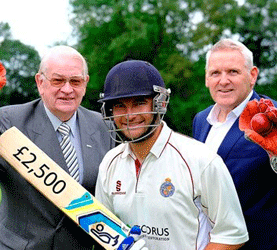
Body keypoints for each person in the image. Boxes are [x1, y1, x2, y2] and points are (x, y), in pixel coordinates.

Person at [95, 60, 249, 250]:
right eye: (119, 106)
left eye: (139, 103)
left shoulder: (201, 160)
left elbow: (232, 234)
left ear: (161, 102)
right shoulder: (110, 163)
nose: (129, 115)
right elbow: (106, 232)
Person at [0, 46, 118, 249]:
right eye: (58, 80)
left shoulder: (104, 127)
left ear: (85, 83)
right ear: (40, 82)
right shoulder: (8, 121)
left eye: (75, 81)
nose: (67, 89)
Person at [192, 38, 277, 249]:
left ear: (253, 75)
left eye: (233, 72)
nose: (223, 81)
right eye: (215, 73)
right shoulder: (201, 120)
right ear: (206, 79)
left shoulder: (272, 116)